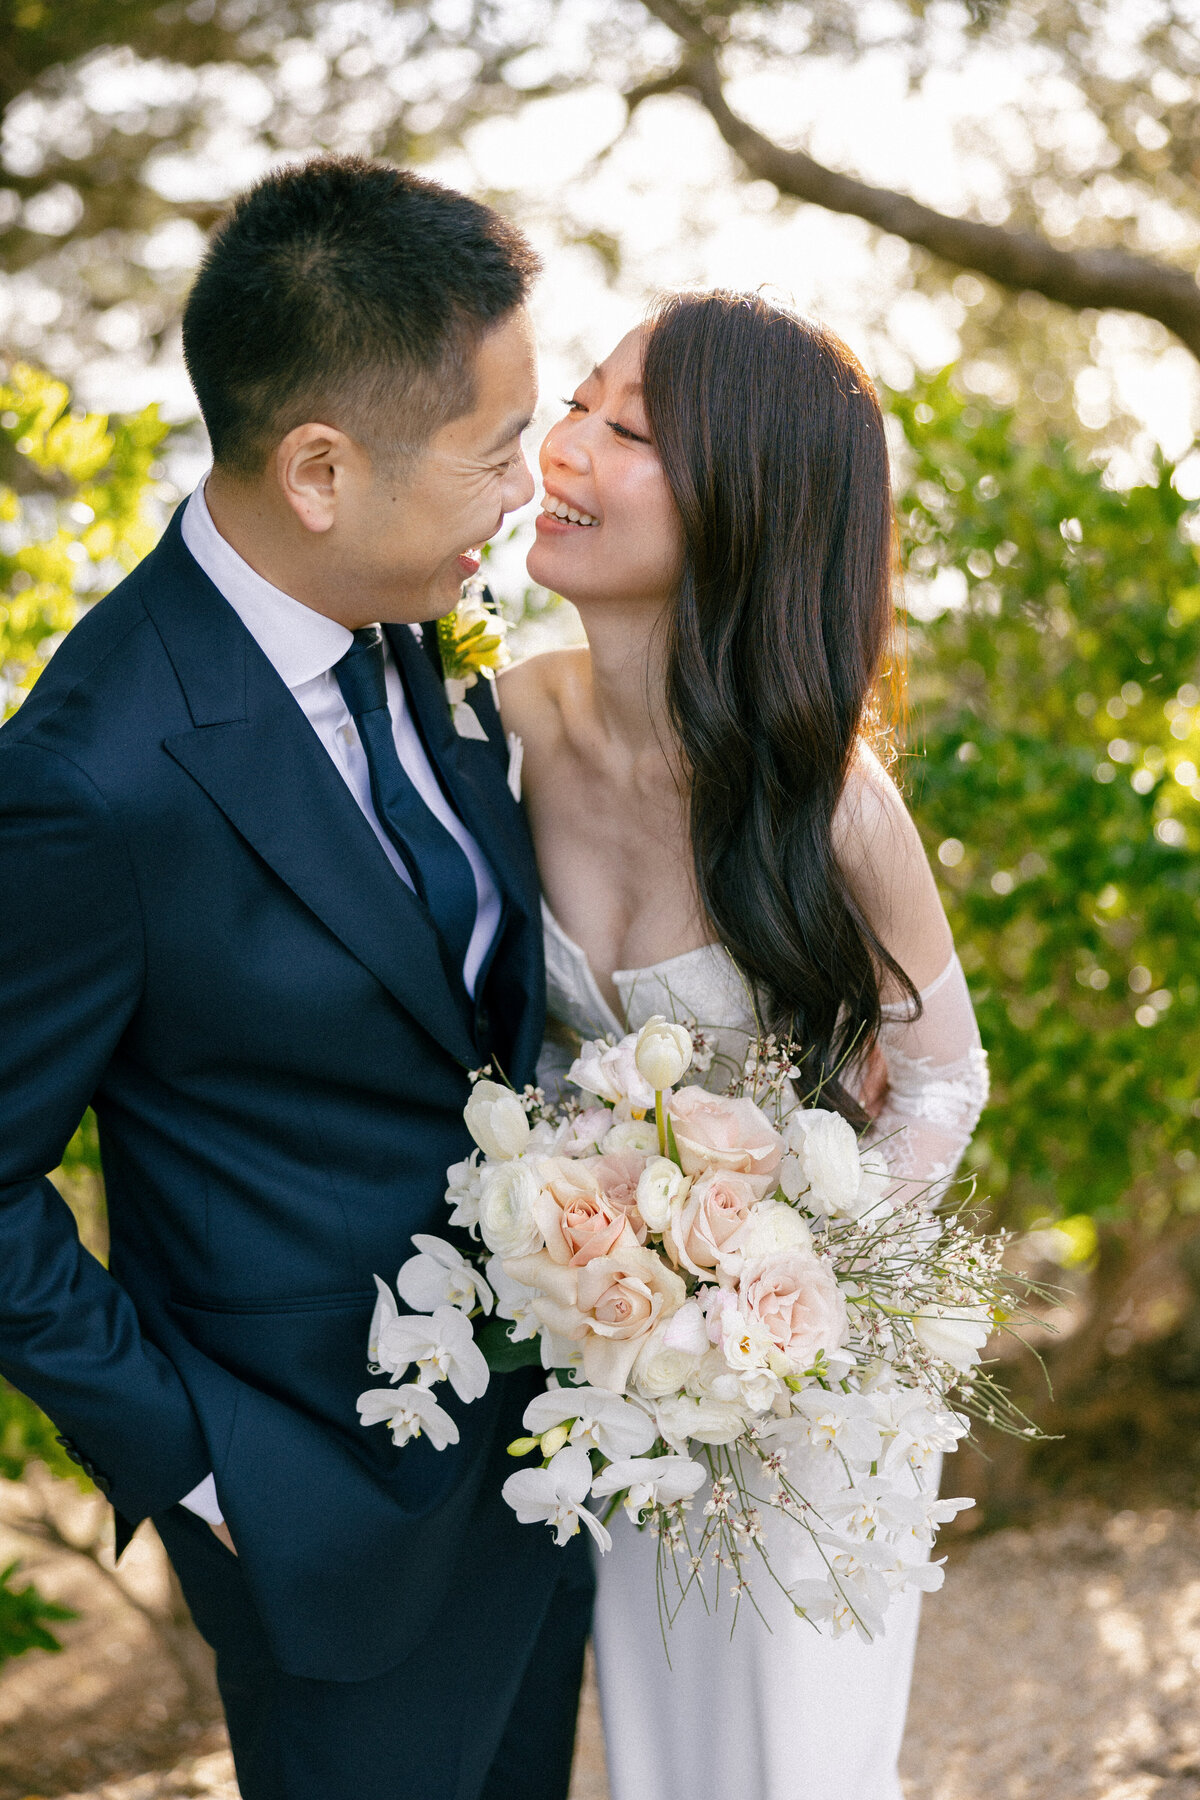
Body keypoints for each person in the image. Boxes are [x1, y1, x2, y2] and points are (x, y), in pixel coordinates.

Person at [0, 155, 592, 1800]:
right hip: (317, 1518)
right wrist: (198, 1465)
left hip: (539, 1467)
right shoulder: (91, 774)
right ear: (318, 470)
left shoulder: (418, 629)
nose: (524, 493)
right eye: (492, 455)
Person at [499, 289, 989, 1800]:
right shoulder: (495, 734)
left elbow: (947, 1073)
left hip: (809, 1404)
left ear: (751, 506)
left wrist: (802, 1279)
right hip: (620, 1378)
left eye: (628, 428)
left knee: (790, 1768)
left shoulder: (832, 804)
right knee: (659, 1762)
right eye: (574, 401)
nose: (563, 445)